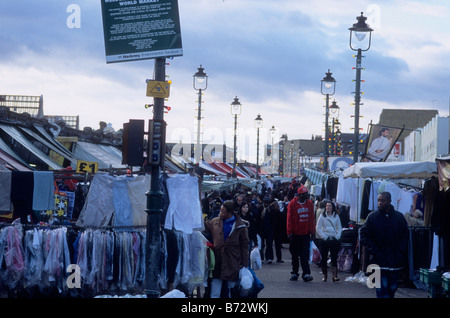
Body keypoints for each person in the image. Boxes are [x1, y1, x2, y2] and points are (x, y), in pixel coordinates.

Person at [360, 191, 409, 298]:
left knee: (392, 287)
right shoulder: (372, 217)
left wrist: (400, 252)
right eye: (378, 200)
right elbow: (364, 235)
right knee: (382, 289)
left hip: (394, 261)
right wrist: (375, 251)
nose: (380, 203)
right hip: (378, 260)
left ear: (389, 201)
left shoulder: (399, 217)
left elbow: (405, 236)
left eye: (383, 200)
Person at [204, 200, 249, 298]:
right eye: (220, 210)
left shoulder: (240, 225)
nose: (221, 213)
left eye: (223, 212)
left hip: (232, 260)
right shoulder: (214, 222)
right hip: (217, 260)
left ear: (230, 212)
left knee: (231, 288)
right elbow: (204, 228)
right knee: (215, 287)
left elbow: (245, 245)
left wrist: (245, 264)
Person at [286, 185, 315, 282]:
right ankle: (294, 273)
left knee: (304, 255)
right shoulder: (292, 204)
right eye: (306, 193)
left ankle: (306, 273)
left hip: (305, 234)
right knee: (294, 255)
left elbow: (311, 218)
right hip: (295, 234)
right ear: (301, 195)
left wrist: (312, 232)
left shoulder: (310, 203)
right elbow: (289, 218)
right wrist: (289, 232)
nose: (308, 195)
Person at [316, 201, 342, 282]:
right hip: (325, 239)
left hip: (333, 238)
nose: (328, 207)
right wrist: (324, 237)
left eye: (329, 206)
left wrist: (337, 237)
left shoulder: (336, 216)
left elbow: (339, 228)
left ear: (333, 207)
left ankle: (334, 275)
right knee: (324, 257)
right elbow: (318, 227)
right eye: (327, 206)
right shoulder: (322, 216)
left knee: (334, 257)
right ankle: (325, 275)